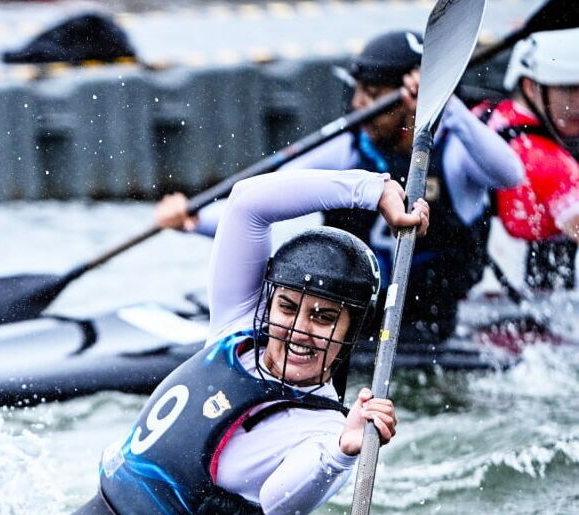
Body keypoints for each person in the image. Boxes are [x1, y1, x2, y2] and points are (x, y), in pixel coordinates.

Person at [0, 168, 420, 515]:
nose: (299, 329)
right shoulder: (234, 329)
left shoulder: (326, 429)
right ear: (269, 304)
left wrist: (344, 451)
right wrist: (371, 188)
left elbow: (279, 501)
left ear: (351, 331)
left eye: (324, 317)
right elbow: (248, 202)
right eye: (288, 307)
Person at [156, 30, 524, 342]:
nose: (358, 104)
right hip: (351, 317)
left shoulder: (457, 151)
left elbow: (511, 175)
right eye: (359, 90)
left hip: (433, 319)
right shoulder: (346, 149)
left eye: (373, 93)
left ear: (412, 97)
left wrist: (445, 103)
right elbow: (265, 201)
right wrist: (193, 220)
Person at [484, 28, 579, 291]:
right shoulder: (550, 163)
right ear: (530, 86)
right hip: (525, 322)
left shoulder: (487, 115)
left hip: (482, 307)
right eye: (569, 88)